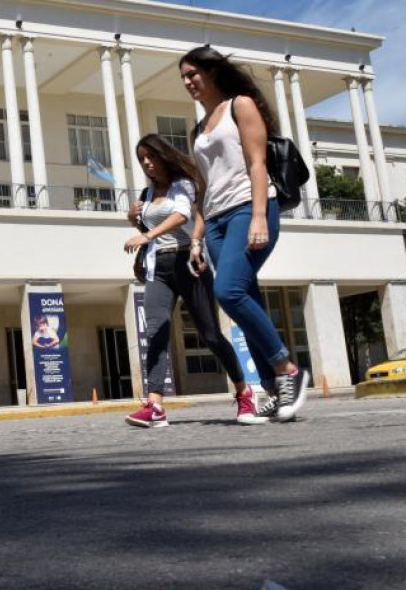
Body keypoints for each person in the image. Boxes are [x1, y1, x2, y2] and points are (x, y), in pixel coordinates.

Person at [181, 45, 309, 422]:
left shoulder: (241, 106)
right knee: (244, 297)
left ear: (212, 71)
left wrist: (257, 217)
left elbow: (257, 163)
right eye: (184, 78)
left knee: (229, 292)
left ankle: (287, 370)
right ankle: (273, 391)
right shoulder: (198, 129)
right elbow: (205, 190)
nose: (188, 82)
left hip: (247, 209)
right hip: (217, 220)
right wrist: (197, 237)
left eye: (193, 73)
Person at [123, 133, 265, 428]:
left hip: (189, 263)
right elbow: (147, 226)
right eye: (142, 160)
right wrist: (133, 218)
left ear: (163, 156)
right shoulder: (146, 195)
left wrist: (147, 233)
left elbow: (180, 216)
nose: (147, 164)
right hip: (158, 268)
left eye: (151, 157)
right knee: (156, 332)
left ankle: (243, 391)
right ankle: (155, 406)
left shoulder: (182, 184)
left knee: (210, 334)